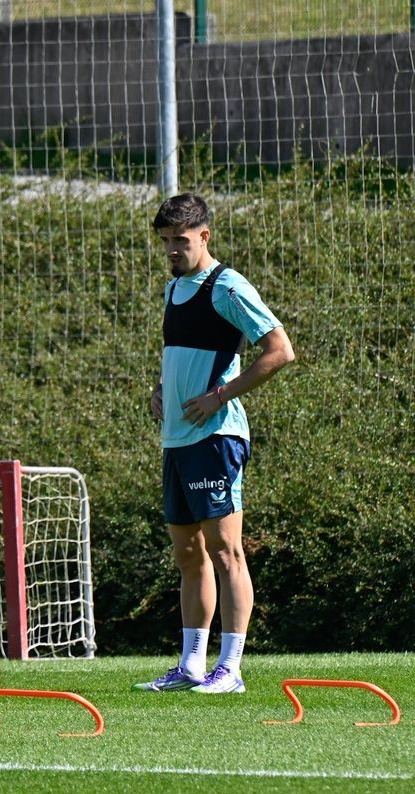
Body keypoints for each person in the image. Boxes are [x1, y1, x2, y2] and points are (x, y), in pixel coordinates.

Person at [135, 192, 294, 694]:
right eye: (165, 242)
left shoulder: (228, 287)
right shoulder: (172, 289)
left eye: (179, 241)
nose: (172, 250)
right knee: (188, 553)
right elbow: (176, 355)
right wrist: (161, 390)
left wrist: (218, 395)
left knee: (226, 552)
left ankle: (231, 669)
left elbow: (279, 350)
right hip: (177, 439)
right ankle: (191, 666)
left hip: (216, 436)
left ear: (205, 236)